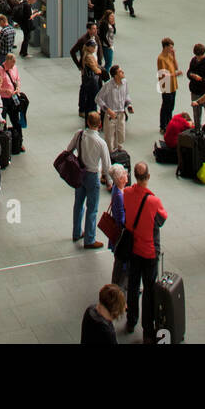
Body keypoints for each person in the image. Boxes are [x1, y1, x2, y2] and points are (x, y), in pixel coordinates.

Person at [122, 161, 168, 342]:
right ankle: (148, 328)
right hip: (149, 251)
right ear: (148, 177)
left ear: (134, 176)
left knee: (133, 286)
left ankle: (131, 319)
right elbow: (162, 219)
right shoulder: (154, 201)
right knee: (149, 290)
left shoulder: (126, 193)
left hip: (133, 248)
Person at [67, 110, 113, 249]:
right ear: (99, 125)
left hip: (80, 173)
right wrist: (110, 182)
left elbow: (68, 150)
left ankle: (76, 232)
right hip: (93, 176)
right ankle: (90, 239)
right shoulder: (101, 142)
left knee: (78, 204)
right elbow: (106, 165)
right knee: (92, 208)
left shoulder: (79, 135)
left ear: (87, 122)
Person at [96, 64, 133, 153]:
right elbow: (98, 98)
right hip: (110, 115)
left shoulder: (125, 82)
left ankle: (118, 151)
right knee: (109, 137)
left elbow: (127, 94)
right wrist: (108, 110)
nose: (123, 72)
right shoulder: (108, 85)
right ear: (115, 76)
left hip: (121, 113)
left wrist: (129, 105)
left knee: (121, 136)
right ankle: (110, 154)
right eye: (120, 72)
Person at [107, 165, 130, 286]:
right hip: (122, 236)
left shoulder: (116, 189)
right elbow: (122, 219)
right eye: (125, 174)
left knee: (118, 262)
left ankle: (115, 284)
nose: (127, 175)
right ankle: (119, 287)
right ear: (121, 178)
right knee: (122, 264)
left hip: (117, 234)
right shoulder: (120, 195)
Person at [0, 54, 25, 154]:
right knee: (2, 121)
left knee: (16, 121)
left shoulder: (14, 68)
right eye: (12, 63)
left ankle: (19, 142)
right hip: (3, 100)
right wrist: (5, 90)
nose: (13, 66)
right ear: (7, 61)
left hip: (13, 98)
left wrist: (17, 87)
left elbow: (17, 79)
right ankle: (2, 142)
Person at [186, 44, 205, 131]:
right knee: (196, 114)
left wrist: (201, 79)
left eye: (200, 56)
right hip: (195, 91)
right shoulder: (194, 61)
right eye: (197, 56)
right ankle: (197, 131)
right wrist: (192, 75)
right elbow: (189, 72)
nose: (198, 58)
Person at [156, 37, 180, 133]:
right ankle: (163, 125)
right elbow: (163, 74)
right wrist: (175, 74)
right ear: (165, 47)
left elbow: (176, 67)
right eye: (170, 47)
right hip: (166, 85)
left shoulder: (170, 55)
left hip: (173, 84)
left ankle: (169, 123)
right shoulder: (161, 58)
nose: (172, 49)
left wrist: (174, 56)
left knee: (171, 106)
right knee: (166, 106)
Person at [79, 51, 104, 121]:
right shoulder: (92, 77)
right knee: (92, 104)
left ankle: (91, 119)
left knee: (90, 104)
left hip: (91, 88)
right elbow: (97, 70)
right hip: (92, 88)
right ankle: (92, 120)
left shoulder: (88, 74)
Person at [98, 9, 116, 74]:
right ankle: (105, 76)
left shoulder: (109, 23)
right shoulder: (105, 24)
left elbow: (114, 31)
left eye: (113, 16)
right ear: (107, 16)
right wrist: (109, 45)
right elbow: (103, 36)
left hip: (109, 44)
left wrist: (113, 24)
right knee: (108, 63)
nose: (113, 17)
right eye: (111, 16)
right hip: (106, 46)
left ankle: (103, 75)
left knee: (108, 63)